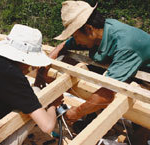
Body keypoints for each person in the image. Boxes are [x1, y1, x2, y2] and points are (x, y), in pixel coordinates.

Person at [43, 1, 150, 143]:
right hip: (129, 69)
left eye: (75, 35)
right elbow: (65, 45)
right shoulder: (100, 31)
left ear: (88, 29)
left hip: (146, 80)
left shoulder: (126, 45)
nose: (75, 40)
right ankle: (92, 118)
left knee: (141, 119)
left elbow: (106, 94)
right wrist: (48, 61)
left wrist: (76, 112)